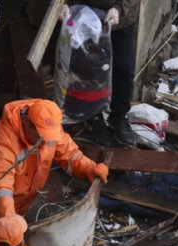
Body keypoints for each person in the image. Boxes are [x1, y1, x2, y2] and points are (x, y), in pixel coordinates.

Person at [0, 98, 109, 246]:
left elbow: (69, 154)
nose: (46, 142)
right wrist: (10, 221)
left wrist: (88, 168)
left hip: (18, 209)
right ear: (27, 123)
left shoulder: (49, 128)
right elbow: (1, 184)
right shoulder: (4, 137)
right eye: (42, 137)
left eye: (49, 138)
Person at [61, 1, 139, 147]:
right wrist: (64, 3)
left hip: (119, 17)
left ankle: (119, 115)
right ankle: (93, 117)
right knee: (90, 70)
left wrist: (119, 8)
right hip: (84, 16)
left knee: (123, 68)